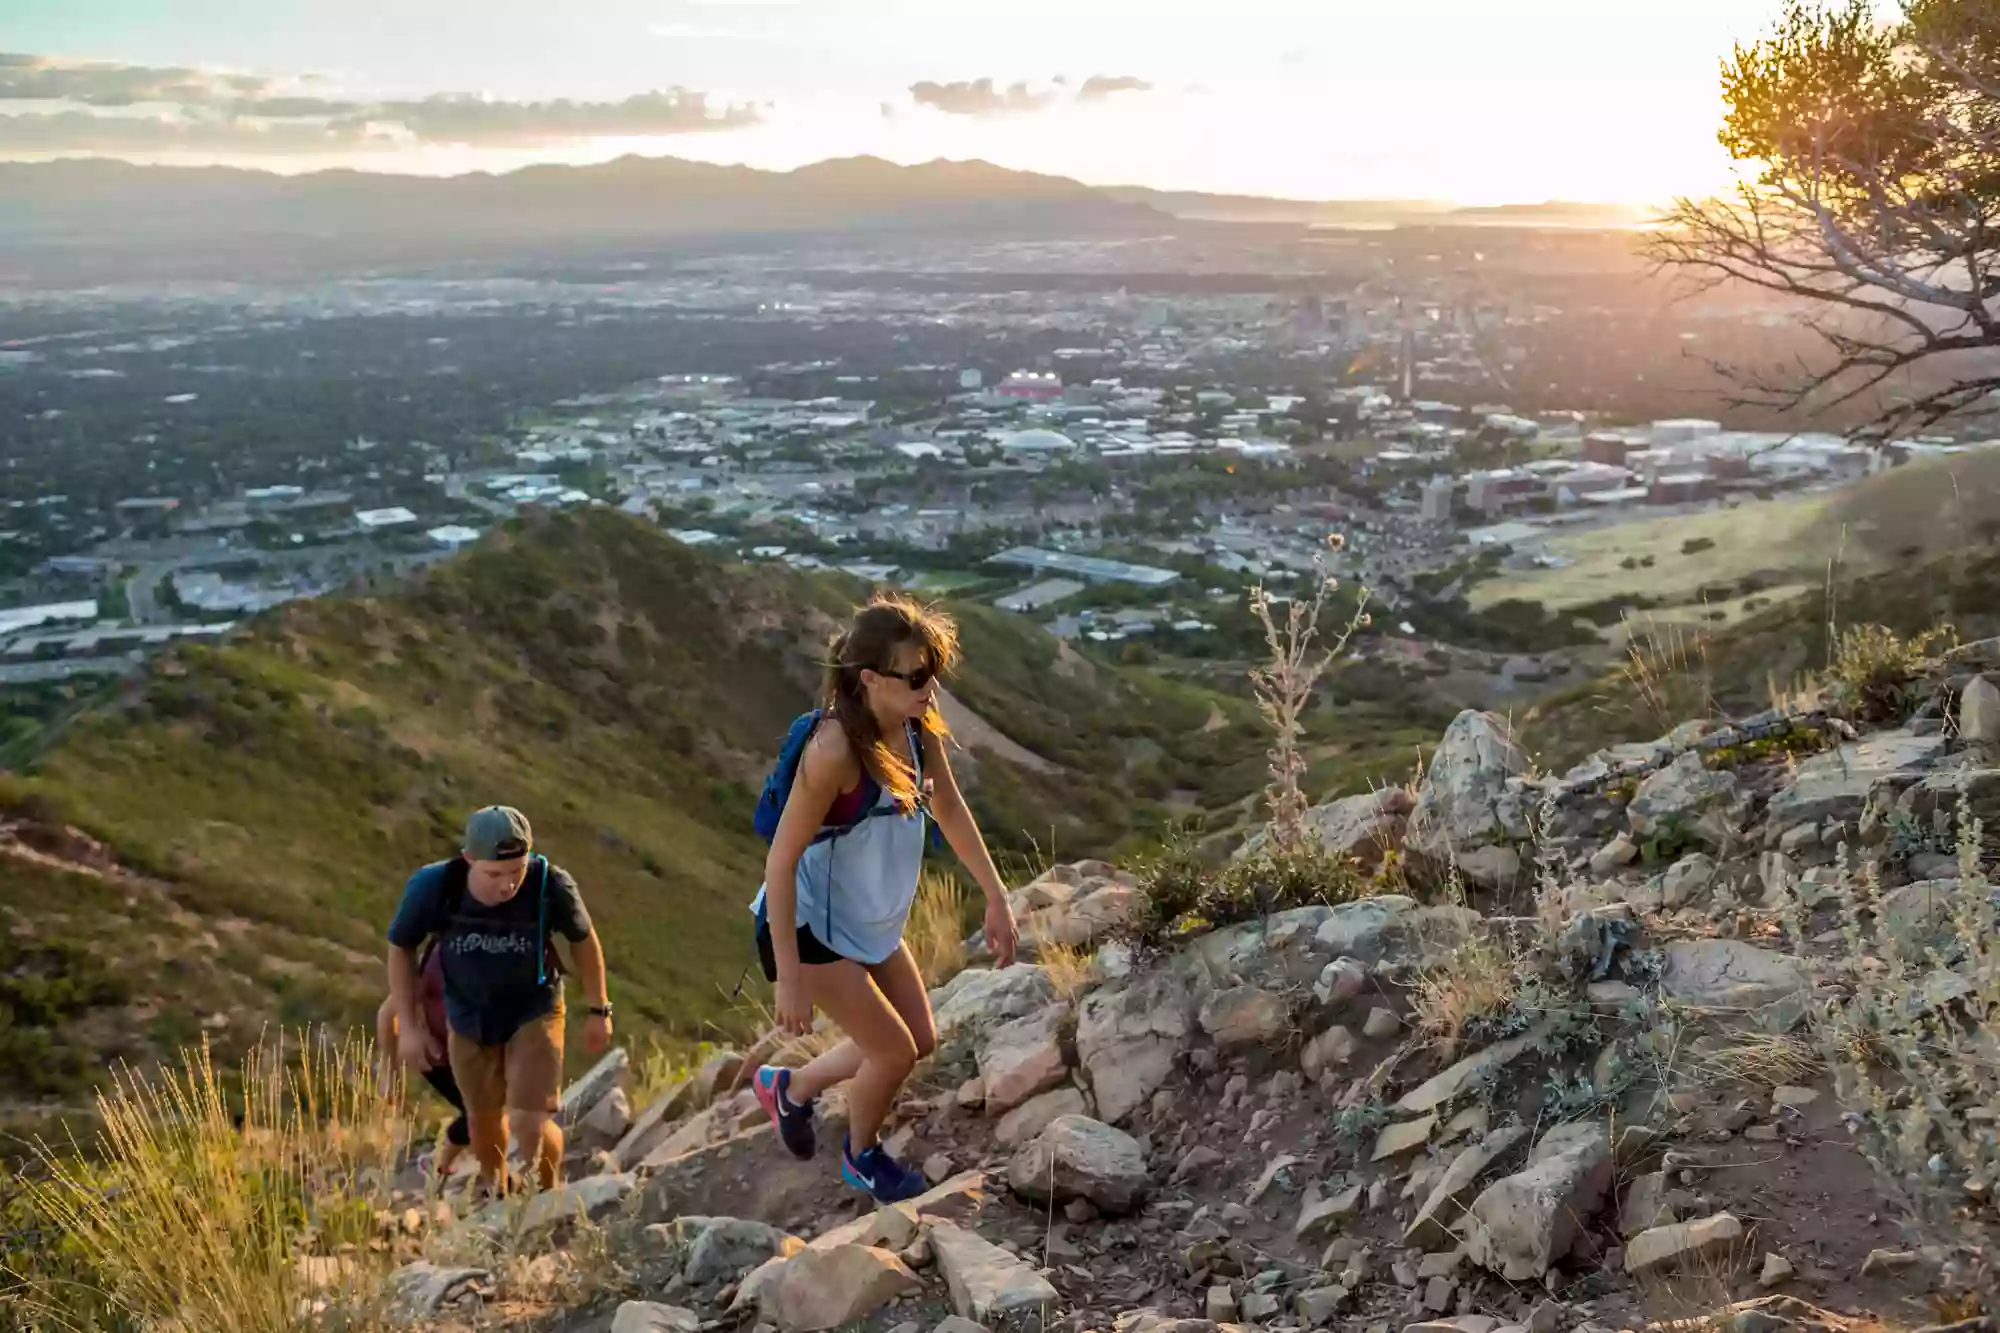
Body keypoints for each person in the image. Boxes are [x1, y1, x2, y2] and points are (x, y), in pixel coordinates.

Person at [748, 594, 1019, 1204]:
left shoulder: (918, 729)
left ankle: (789, 1089)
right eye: (918, 676)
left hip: (865, 919)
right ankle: (862, 1157)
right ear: (870, 679)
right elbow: (781, 860)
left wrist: (996, 897)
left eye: (935, 673)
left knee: (918, 1041)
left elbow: (948, 806)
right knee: (892, 1052)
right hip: (810, 927)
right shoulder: (835, 752)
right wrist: (788, 975)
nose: (931, 687)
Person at [386, 806, 613, 1194]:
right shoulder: (435, 887)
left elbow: (584, 942)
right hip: (468, 1017)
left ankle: (546, 1193)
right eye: (495, 874)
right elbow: (401, 948)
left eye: (517, 871)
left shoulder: (550, 884)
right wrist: (408, 1028)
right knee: (483, 1121)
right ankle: (499, 1193)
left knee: (529, 1121)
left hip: (534, 1009)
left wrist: (599, 1009)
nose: (508, 885)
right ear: (470, 858)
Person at [375, 994, 470, 1182]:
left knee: (489, 1110)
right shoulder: (435, 968)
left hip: (471, 1045)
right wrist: (391, 1073)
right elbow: (387, 1015)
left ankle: (439, 1163)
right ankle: (437, 1164)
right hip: (434, 1053)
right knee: (481, 1111)